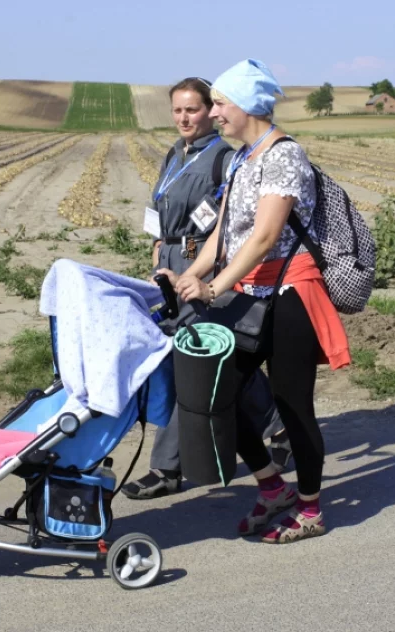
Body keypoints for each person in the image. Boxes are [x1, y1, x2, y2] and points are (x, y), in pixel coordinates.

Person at [156, 58, 351, 543]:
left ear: (245, 104)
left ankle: (309, 508)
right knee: (216, 398)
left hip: (290, 295)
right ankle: (271, 487)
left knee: (292, 404)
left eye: (220, 103)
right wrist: (190, 272)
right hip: (250, 292)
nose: (214, 113)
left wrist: (213, 288)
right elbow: (225, 232)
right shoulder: (244, 157)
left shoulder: (284, 155)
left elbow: (264, 237)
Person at [121, 76, 291, 501]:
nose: (184, 118)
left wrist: (206, 274)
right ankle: (278, 422)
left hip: (205, 264)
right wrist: (158, 254)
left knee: (192, 358)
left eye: (192, 110)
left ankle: (167, 467)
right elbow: (159, 210)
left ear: (210, 113)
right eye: (177, 110)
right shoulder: (173, 155)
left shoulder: (222, 158)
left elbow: (231, 223)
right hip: (171, 263)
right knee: (215, 358)